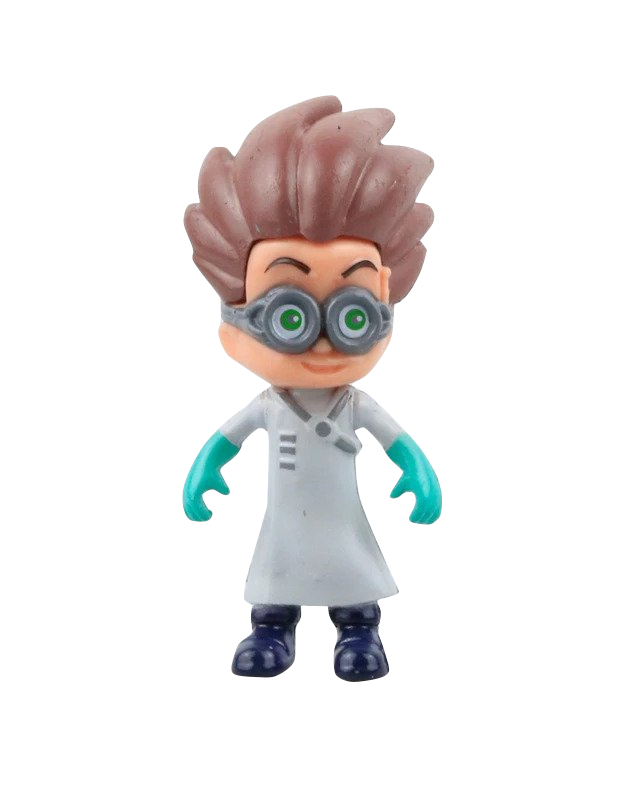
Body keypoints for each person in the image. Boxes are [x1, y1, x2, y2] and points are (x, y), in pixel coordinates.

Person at [182, 95, 442, 681]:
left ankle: (359, 630)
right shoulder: (271, 404)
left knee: (352, 564)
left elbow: (398, 442)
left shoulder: (354, 403)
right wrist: (203, 471)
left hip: (341, 514)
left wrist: (420, 474)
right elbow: (226, 441)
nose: (323, 342)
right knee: (277, 568)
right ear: (234, 320)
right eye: (290, 314)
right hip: (285, 520)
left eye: (354, 314)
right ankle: (271, 629)